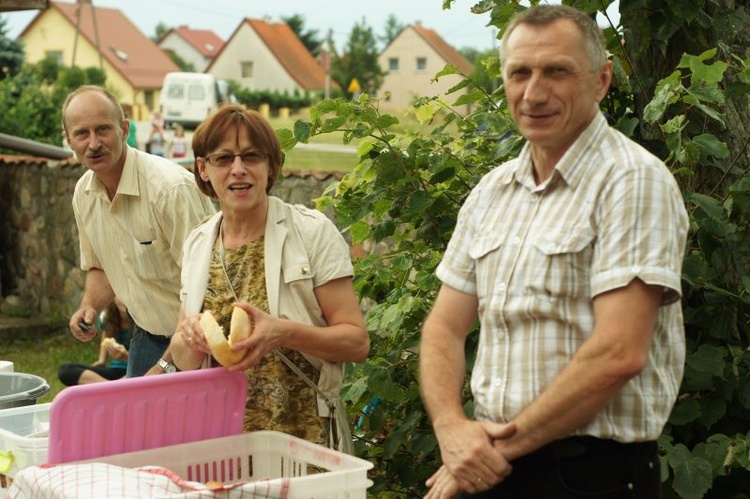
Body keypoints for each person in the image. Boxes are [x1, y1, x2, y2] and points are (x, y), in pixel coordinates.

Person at [419, 5, 689, 498]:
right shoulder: (491, 192)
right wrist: (452, 431)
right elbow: (443, 327)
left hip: (589, 476)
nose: (533, 93)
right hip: (494, 469)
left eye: (557, 71)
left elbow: (618, 353)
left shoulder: (632, 182)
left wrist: (486, 452)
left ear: (602, 80)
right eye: (519, 73)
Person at [159, 104, 369, 446]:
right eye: (224, 159)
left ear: (271, 166)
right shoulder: (197, 244)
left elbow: (356, 343)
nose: (238, 170)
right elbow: (186, 362)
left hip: (304, 441)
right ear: (204, 168)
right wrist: (187, 339)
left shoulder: (311, 233)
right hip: (221, 443)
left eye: (251, 157)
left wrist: (282, 333)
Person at [63, 85, 216, 377]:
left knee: (197, 425)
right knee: (138, 424)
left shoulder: (170, 190)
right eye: (82, 133)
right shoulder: (84, 194)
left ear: (124, 129)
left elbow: (209, 287)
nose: (94, 143)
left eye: (103, 129)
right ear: (69, 140)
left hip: (201, 341)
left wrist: (168, 363)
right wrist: (89, 306)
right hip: (145, 337)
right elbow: (100, 267)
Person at [58, 298, 132, 385]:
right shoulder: (109, 317)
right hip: (115, 370)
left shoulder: (144, 321)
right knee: (66, 370)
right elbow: (106, 337)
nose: (124, 299)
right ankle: (112, 387)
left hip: (137, 372)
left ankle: (110, 388)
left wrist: (127, 357)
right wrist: (101, 361)